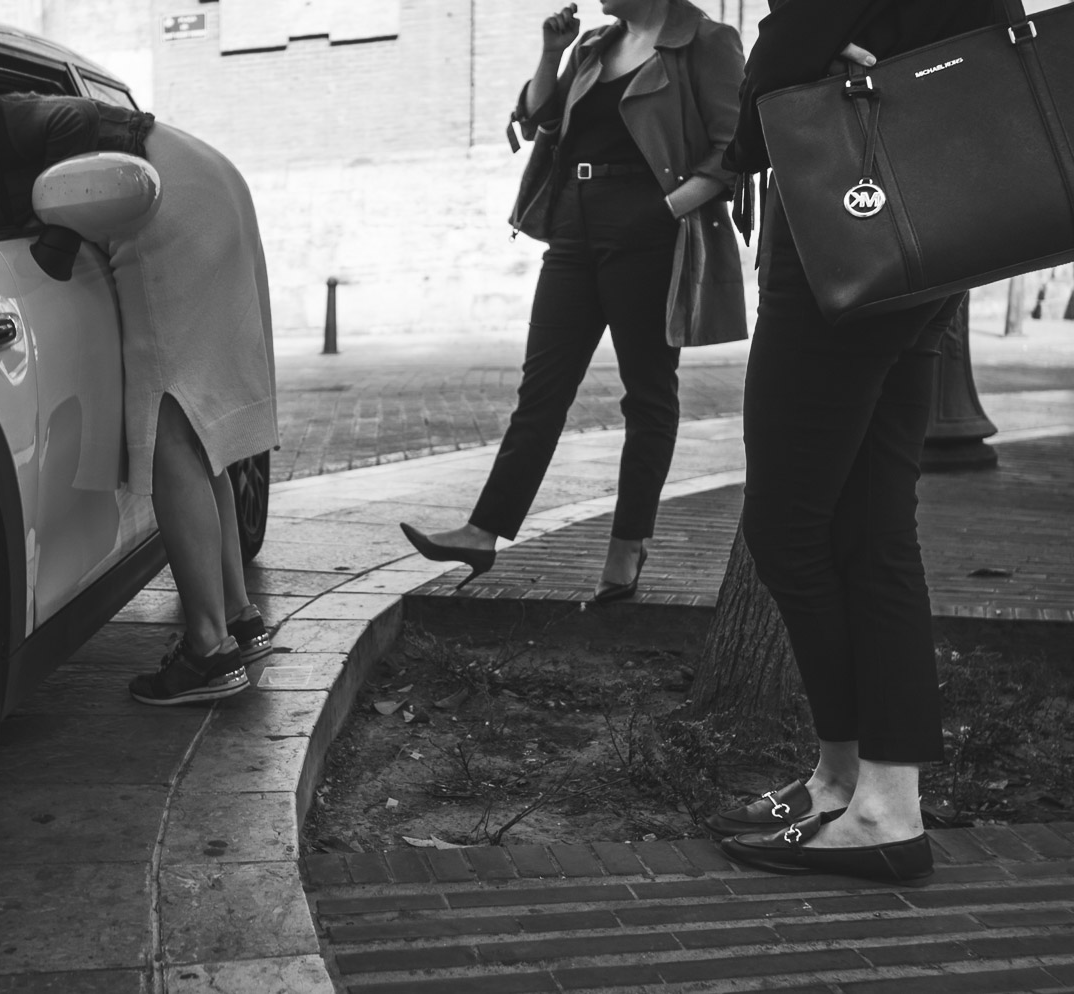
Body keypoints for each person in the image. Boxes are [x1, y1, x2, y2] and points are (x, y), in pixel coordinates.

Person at [703, 0, 1005, 882]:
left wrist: (731, 155)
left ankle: (879, 804)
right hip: (938, 227)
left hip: (849, 221)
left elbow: (781, 60)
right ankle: (858, 785)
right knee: (873, 527)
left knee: (788, 527)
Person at [399, 0, 744, 601]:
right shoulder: (594, 47)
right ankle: (483, 531)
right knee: (542, 390)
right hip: (574, 230)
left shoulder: (705, 42)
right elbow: (538, 120)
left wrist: (662, 212)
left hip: (649, 234)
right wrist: (552, 52)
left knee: (648, 394)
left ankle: (627, 544)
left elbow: (730, 151)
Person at [0, 93, 278, 705]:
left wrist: (56, 246)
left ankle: (208, 648)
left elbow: (67, 124)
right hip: (202, 182)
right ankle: (238, 616)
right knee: (199, 435)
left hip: (160, 199)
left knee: (170, 426)